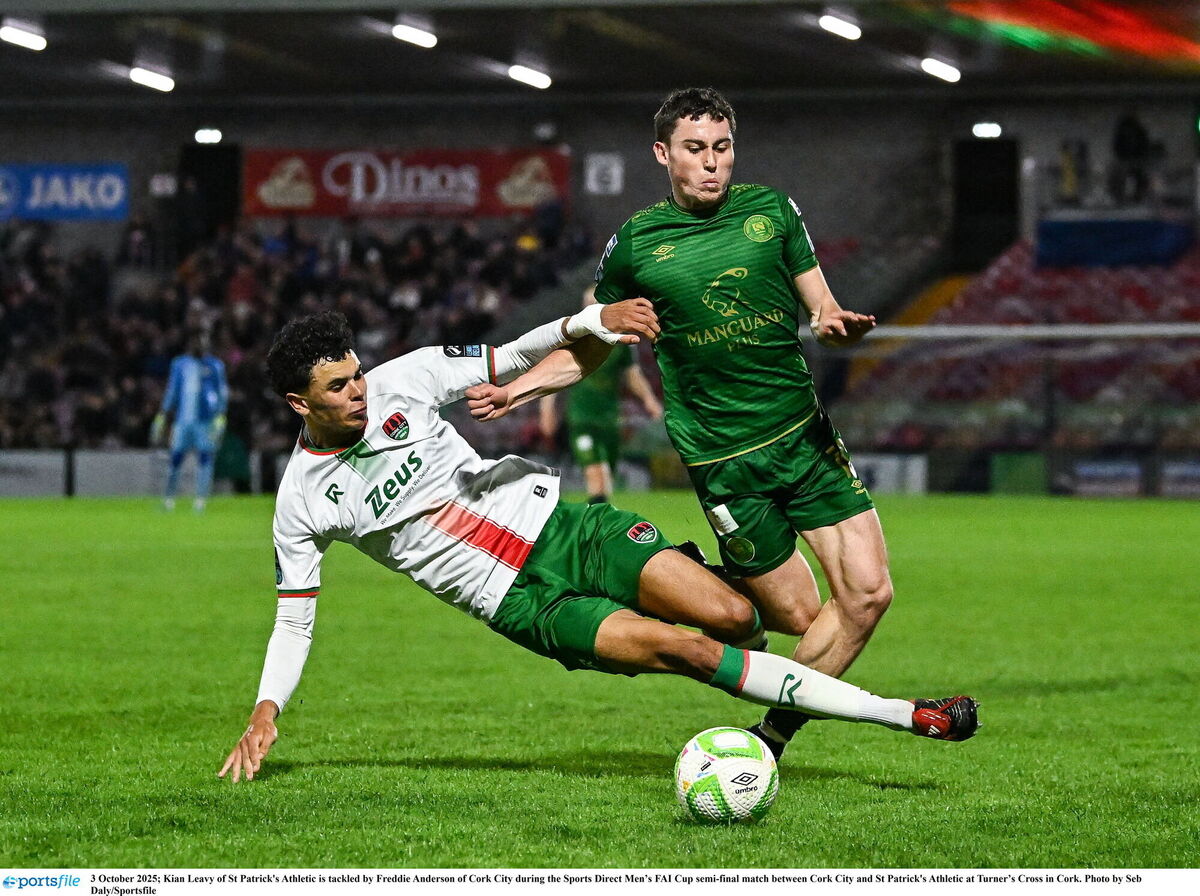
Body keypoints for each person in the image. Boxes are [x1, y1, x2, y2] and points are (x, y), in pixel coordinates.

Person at [218, 309, 977, 782]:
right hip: (520, 602)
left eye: (356, 377)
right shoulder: (302, 501)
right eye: (340, 390)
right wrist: (266, 709)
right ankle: (908, 716)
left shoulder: (404, 380)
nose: (360, 393)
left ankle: (709, 568)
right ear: (299, 403)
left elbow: (514, 356)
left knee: (735, 618)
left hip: (568, 530)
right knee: (690, 652)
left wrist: (590, 321)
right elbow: (294, 618)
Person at [477, 87, 900, 761]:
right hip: (723, 461)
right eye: (696, 150)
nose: (713, 164)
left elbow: (822, 309)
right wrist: (521, 388)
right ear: (663, 154)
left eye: (723, 148)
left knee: (869, 595)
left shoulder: (772, 213)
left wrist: (837, 328)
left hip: (804, 439)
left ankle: (767, 742)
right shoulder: (638, 246)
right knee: (794, 619)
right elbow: (592, 342)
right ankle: (688, 579)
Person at [539, 286, 663, 504]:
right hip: (581, 418)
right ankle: (598, 519)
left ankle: (599, 514)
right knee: (595, 471)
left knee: (607, 474)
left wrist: (649, 400)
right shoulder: (573, 338)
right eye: (589, 305)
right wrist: (547, 411)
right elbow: (551, 375)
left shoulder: (621, 342)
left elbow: (632, 376)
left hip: (609, 418)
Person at [151, 329, 228, 512]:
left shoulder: (215, 365)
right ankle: (169, 500)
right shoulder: (180, 364)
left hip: (206, 420)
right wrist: (163, 413)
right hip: (183, 421)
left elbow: (221, 392)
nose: (199, 345)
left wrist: (220, 415)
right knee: (176, 458)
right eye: (196, 341)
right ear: (189, 344)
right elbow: (173, 390)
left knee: (205, 458)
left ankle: (200, 500)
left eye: (202, 341)